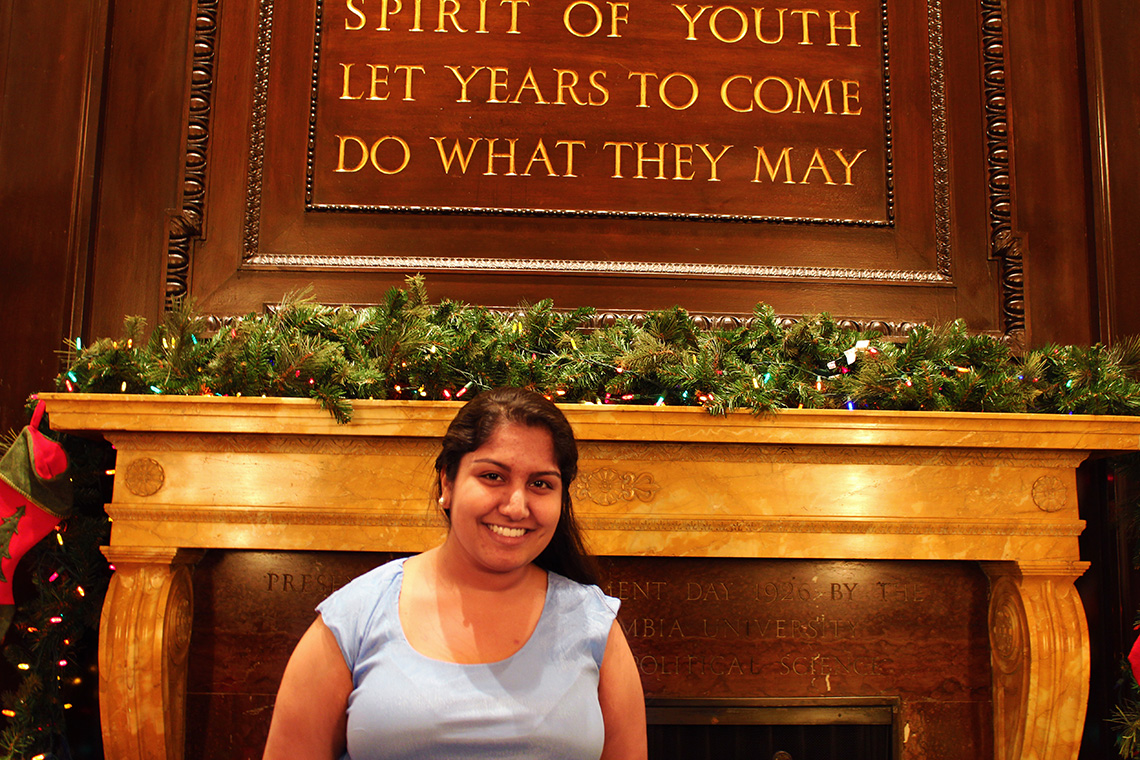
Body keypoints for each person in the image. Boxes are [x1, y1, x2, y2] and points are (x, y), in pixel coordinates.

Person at [263, 387, 647, 760]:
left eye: (540, 484)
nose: (516, 506)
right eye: (493, 476)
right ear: (447, 482)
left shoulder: (594, 626)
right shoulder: (355, 617)